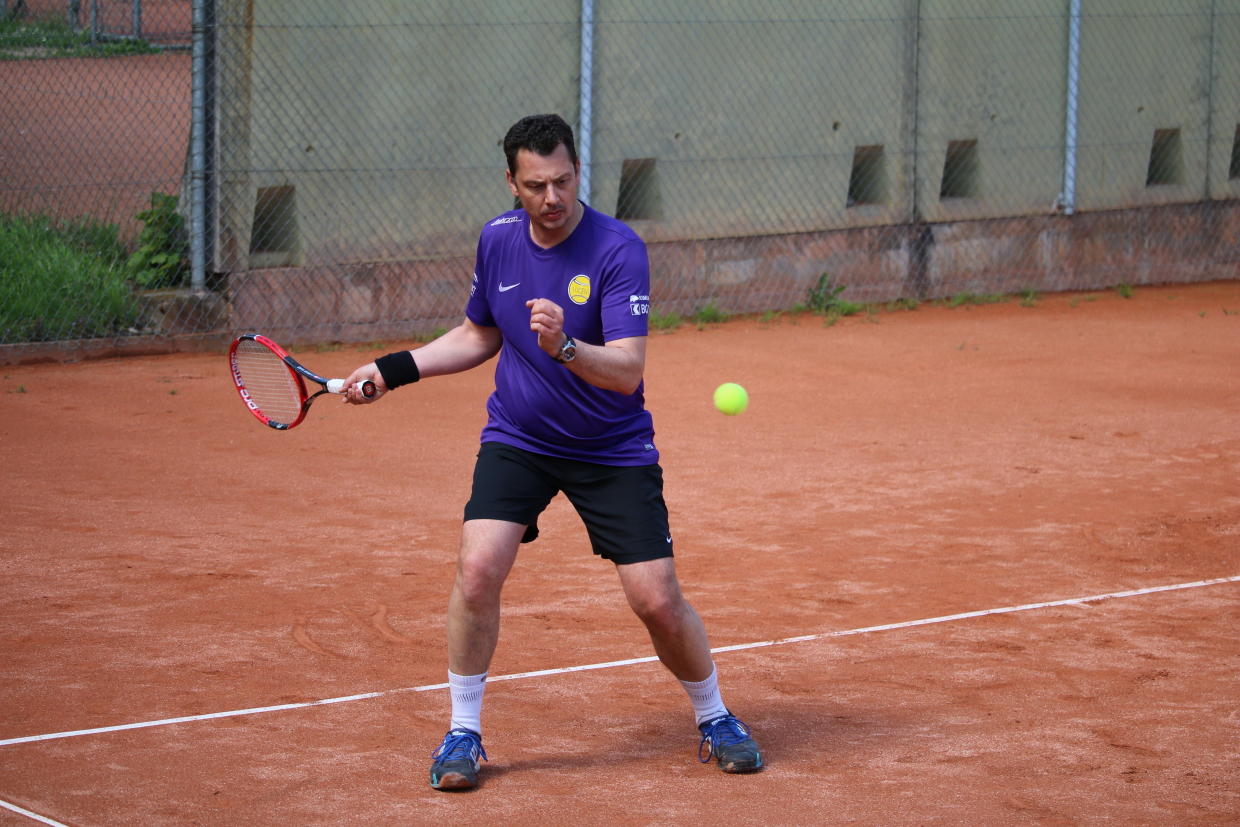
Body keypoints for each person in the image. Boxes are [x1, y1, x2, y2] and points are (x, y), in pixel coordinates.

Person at [340, 113, 761, 790]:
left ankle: (714, 715)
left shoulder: (618, 249)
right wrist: (392, 370)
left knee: (656, 599)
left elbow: (625, 370)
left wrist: (565, 346)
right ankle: (464, 731)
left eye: (563, 181)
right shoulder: (498, 239)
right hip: (521, 438)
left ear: (577, 171)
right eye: (536, 185)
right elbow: (479, 334)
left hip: (611, 447)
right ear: (512, 182)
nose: (553, 197)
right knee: (477, 570)